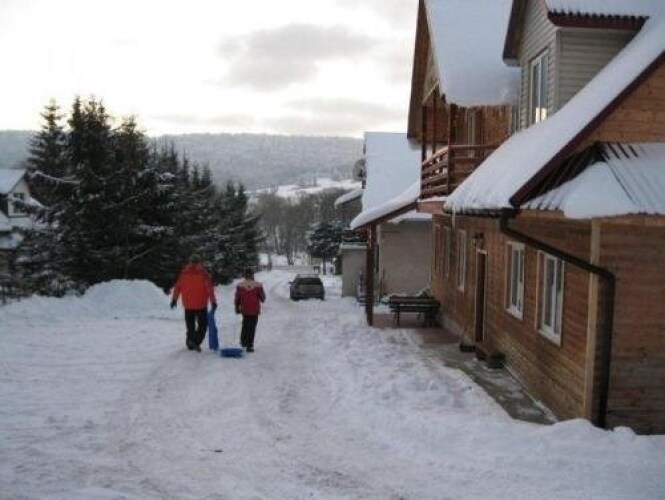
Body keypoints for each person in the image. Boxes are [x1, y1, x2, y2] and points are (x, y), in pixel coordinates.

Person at [171, 254, 217, 352]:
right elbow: (209, 289)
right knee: (202, 326)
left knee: (190, 326)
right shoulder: (203, 274)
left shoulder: (184, 273)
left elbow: (178, 287)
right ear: (199, 261)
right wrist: (213, 302)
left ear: (190, 261)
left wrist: (174, 299)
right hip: (201, 305)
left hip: (188, 305)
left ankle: (189, 343)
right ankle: (195, 341)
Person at [234, 269, 266, 352]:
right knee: (252, 327)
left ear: (245, 276)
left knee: (245, 324)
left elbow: (237, 298)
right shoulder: (258, 285)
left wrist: (237, 307)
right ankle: (249, 345)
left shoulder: (240, 285)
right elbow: (263, 298)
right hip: (254, 310)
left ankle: (243, 341)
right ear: (252, 275)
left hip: (244, 309)